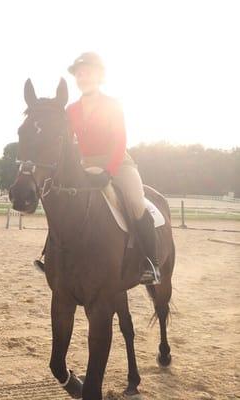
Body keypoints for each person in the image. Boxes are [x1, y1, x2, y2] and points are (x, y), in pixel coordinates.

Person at [35, 52, 160, 285]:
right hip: (85, 164)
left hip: (118, 162)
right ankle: (49, 254)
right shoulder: (71, 110)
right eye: (80, 74)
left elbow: (120, 141)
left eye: (88, 73)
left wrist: (109, 171)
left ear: (99, 76)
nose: (83, 77)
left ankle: (151, 263)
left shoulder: (112, 105)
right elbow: (66, 140)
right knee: (61, 202)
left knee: (135, 202)